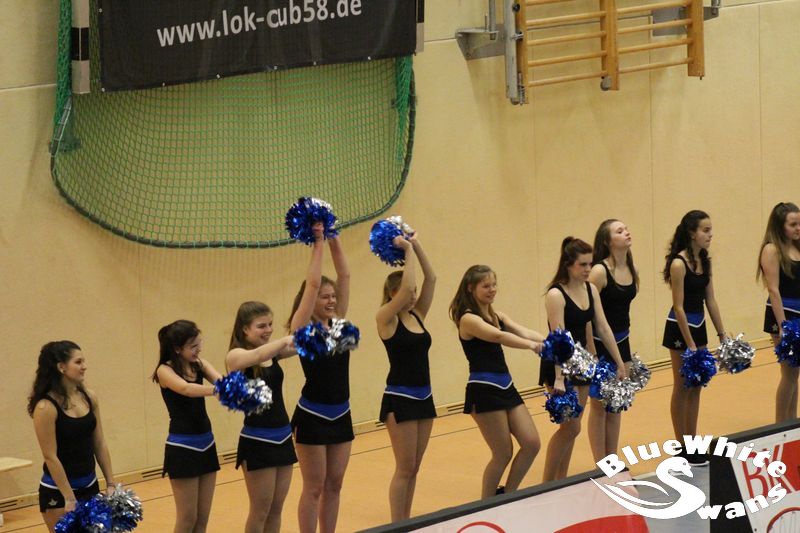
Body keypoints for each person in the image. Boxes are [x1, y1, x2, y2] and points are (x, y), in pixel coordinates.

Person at [448, 265, 545, 498]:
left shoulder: (497, 316)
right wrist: (532, 347)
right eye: (486, 286)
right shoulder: (468, 319)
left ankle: (508, 495)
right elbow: (498, 336)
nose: (492, 289)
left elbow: (523, 331)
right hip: (484, 390)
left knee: (531, 443)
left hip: (506, 386)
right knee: (502, 453)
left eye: (494, 284)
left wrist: (553, 341)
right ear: (470, 288)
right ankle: (486, 504)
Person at [540, 237, 627, 481]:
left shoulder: (590, 290)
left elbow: (603, 327)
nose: (588, 269)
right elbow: (558, 338)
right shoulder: (556, 294)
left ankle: (561, 480)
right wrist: (559, 377)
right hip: (559, 364)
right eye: (583, 264)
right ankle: (547, 483)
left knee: (571, 429)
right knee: (570, 427)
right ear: (568, 264)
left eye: (590, 263)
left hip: (582, 364)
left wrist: (619, 362)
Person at [288, 223, 352, 533]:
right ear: (310, 300)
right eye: (324, 297)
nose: (331, 300)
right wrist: (317, 244)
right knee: (314, 487)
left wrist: (334, 237)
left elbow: (345, 276)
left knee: (335, 484)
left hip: (342, 413)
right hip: (313, 415)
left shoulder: (338, 324)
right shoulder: (302, 329)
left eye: (333, 296)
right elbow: (312, 284)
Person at [376, 234, 436, 521]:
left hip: (424, 396)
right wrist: (408, 252)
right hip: (400, 398)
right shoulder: (385, 319)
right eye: (407, 292)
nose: (413, 295)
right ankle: (397, 524)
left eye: (413, 292)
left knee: (415, 468)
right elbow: (407, 289)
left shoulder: (418, 315)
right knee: (404, 467)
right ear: (393, 294)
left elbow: (431, 278)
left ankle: (406, 520)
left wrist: (417, 245)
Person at [29, 341, 115, 532]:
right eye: (78, 362)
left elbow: (99, 442)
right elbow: (50, 456)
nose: (85, 366)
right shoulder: (45, 407)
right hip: (58, 491)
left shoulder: (89, 397)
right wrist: (69, 497)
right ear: (61, 367)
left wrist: (110, 483)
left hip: (90, 485)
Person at [662, 210, 727, 465]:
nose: (710, 235)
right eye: (705, 230)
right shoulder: (679, 264)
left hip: (698, 325)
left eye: (711, 230)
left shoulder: (705, 261)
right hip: (680, 328)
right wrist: (689, 344)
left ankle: (692, 440)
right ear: (692, 233)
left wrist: (722, 334)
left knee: (697, 384)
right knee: (683, 386)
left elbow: (711, 300)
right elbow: (678, 306)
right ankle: (682, 445)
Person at [226, 302, 296, 533]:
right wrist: (284, 341)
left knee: (276, 509)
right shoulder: (236, 356)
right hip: (258, 440)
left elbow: (301, 344)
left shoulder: (271, 352)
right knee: (260, 510)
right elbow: (257, 354)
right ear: (245, 329)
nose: (268, 330)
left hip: (283, 436)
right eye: (261, 326)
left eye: (270, 324)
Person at [153, 320, 222, 533]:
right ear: (177, 348)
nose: (198, 349)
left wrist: (237, 388)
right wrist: (217, 391)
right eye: (193, 346)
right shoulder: (164, 370)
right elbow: (186, 389)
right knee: (187, 518)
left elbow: (221, 380)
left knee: (202, 518)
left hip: (207, 443)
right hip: (183, 447)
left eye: (199, 344)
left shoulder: (199, 364)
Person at [587, 220, 638, 461]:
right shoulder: (599, 271)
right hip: (599, 343)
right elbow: (586, 312)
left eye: (626, 228)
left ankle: (612, 459)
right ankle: (601, 464)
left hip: (622, 341)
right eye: (619, 231)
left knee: (616, 403)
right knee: (599, 406)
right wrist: (592, 351)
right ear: (607, 241)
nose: (626, 232)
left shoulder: (630, 266)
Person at [757, 202, 800, 422]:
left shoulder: (797, 246)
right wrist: (784, 327)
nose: (798, 228)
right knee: (789, 373)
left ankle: (791, 423)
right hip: (783, 315)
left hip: (798, 314)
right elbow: (773, 289)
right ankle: (781, 425)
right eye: (793, 224)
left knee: (795, 374)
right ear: (780, 226)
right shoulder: (772, 249)